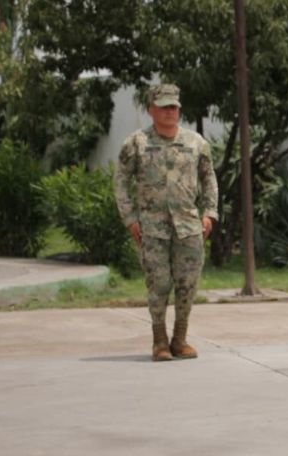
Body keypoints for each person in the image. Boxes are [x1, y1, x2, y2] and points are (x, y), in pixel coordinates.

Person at [113, 84, 218, 361]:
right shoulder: (136, 143)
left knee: (187, 284)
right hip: (152, 227)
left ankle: (180, 339)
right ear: (151, 110)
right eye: (164, 106)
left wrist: (209, 213)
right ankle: (159, 341)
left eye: (174, 106)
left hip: (188, 226)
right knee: (158, 284)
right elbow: (121, 183)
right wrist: (129, 218)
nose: (170, 111)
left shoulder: (196, 143)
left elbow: (209, 179)